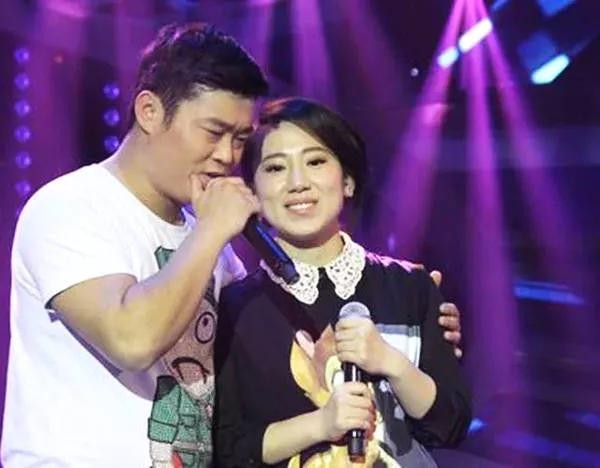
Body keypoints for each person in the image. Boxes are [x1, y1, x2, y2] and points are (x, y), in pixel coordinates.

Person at [1, 22, 462, 468]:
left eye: (240, 139)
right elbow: (131, 340)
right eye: (213, 132)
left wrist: (419, 323)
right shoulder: (73, 206)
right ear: (149, 111)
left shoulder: (208, 239)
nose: (226, 156)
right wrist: (211, 230)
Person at [214, 97, 472, 467]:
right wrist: (321, 424)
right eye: (275, 168)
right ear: (253, 192)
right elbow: (227, 449)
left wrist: (391, 362)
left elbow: (451, 425)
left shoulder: (410, 286)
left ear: (347, 181)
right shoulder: (235, 308)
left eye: (315, 162)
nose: (298, 183)